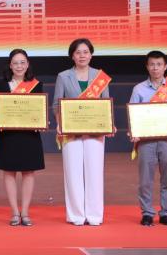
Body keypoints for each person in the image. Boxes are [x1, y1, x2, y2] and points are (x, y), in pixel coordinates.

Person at [53, 37, 111, 226]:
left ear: (91, 55)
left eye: (85, 52)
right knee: (73, 173)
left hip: (95, 131)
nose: (82, 56)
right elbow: (56, 104)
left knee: (95, 173)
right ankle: (76, 215)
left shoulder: (100, 77)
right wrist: (59, 123)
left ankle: (94, 215)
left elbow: (106, 104)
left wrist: (109, 123)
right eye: (78, 52)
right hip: (70, 131)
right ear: (72, 56)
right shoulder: (63, 76)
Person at [129, 50, 167, 226]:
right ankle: (147, 213)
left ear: (165, 67)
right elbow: (133, 114)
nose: (155, 68)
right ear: (147, 67)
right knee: (145, 180)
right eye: (152, 64)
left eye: (159, 64)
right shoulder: (138, 89)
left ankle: (166, 213)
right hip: (146, 141)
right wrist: (134, 131)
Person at [0, 49, 45, 226]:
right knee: (9, 172)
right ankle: (15, 212)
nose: (19, 66)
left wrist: (41, 120)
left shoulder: (36, 84)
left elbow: (40, 108)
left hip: (29, 135)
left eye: (22, 62)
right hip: (8, 135)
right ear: (10, 65)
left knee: (29, 172)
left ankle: (26, 212)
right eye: (15, 63)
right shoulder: (1, 84)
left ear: (28, 64)